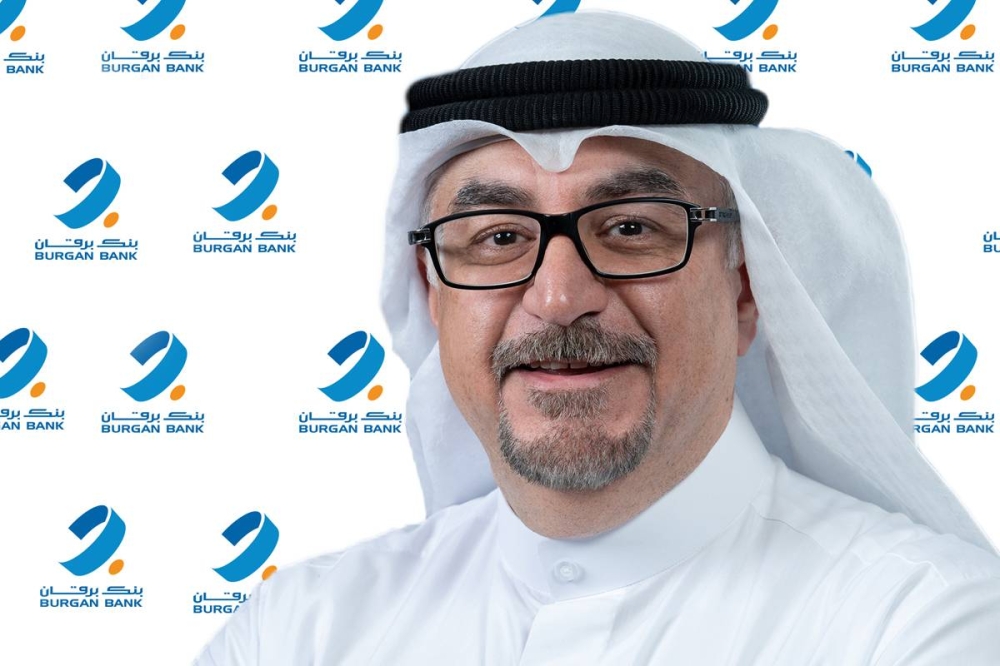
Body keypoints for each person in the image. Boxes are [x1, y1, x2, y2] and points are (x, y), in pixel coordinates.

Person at [197, 11, 1000, 665]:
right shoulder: (301, 631)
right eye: (498, 238)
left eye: (630, 228)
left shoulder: (920, 622)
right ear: (433, 295)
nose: (558, 299)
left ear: (746, 290)